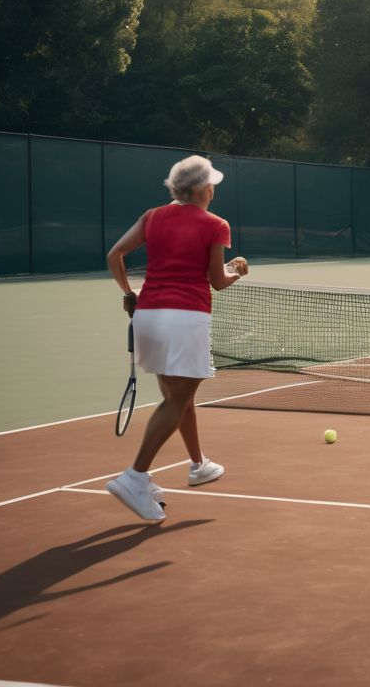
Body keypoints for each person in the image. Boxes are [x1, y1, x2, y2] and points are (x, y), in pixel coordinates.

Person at [104, 155, 249, 521]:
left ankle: (198, 465)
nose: (213, 191)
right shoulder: (217, 225)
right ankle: (135, 476)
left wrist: (130, 292)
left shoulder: (152, 216)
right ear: (202, 189)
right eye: (211, 185)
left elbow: (115, 254)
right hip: (186, 318)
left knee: (178, 397)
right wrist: (236, 271)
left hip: (148, 316)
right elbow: (217, 280)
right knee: (177, 400)